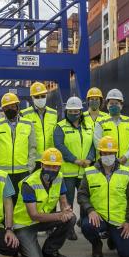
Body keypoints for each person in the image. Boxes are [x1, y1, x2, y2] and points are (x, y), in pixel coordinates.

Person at [12, 148, 76, 257]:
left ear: (59, 167)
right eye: (48, 166)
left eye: (55, 167)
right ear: (41, 165)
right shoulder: (29, 183)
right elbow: (34, 215)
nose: (51, 170)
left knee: (71, 218)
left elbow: (63, 200)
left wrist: (66, 209)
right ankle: (22, 242)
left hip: (44, 219)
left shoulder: (59, 178)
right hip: (25, 224)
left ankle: (50, 250)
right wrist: (59, 215)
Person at [77, 136, 129, 257]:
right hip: (99, 217)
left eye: (111, 153)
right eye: (105, 153)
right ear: (100, 153)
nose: (108, 155)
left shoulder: (126, 172)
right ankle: (96, 244)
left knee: (128, 254)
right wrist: (90, 210)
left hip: (119, 220)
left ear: (116, 153)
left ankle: (113, 237)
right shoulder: (90, 172)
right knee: (87, 225)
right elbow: (82, 194)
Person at [53, 95, 94, 240]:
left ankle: (83, 224)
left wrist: (89, 159)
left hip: (85, 170)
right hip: (69, 171)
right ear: (66, 111)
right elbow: (59, 146)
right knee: (68, 200)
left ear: (80, 112)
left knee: (84, 199)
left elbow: (93, 144)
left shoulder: (89, 125)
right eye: (70, 111)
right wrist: (75, 160)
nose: (73, 114)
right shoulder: (60, 126)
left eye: (76, 111)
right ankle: (69, 228)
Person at [0, 92, 37, 191]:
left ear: (17, 107)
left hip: (23, 171)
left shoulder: (28, 124)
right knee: (4, 202)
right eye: (6, 107)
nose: (10, 109)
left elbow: (32, 147)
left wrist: (30, 168)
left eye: (12, 106)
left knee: (20, 203)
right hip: (1, 172)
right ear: (3, 109)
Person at [93, 89, 129, 166]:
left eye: (116, 103)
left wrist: (126, 156)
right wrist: (110, 157)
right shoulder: (100, 122)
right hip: (107, 164)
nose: (114, 106)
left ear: (121, 105)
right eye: (111, 103)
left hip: (126, 162)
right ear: (107, 106)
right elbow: (97, 142)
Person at [21, 81, 58, 168]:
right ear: (32, 98)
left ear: (46, 96)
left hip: (50, 159)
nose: (40, 98)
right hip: (33, 160)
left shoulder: (54, 114)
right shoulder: (24, 114)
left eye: (43, 96)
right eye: (37, 97)